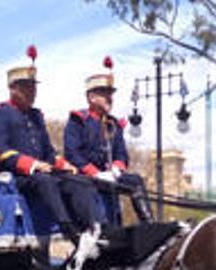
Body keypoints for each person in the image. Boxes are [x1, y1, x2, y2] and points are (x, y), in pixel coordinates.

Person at [0, 49, 103, 243]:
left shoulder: (36, 116)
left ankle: (95, 227)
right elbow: (0, 151)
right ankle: (68, 228)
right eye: (27, 88)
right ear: (13, 88)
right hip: (18, 177)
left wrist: (62, 164)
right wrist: (33, 165)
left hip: (42, 174)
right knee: (45, 180)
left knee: (79, 181)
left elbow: (48, 151)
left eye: (34, 87)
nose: (32, 92)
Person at [64, 57, 154, 223]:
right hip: (87, 178)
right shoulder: (78, 120)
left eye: (110, 94)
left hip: (111, 176)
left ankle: (149, 222)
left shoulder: (114, 124)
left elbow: (122, 154)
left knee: (135, 181)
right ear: (91, 97)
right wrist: (96, 173)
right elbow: (72, 153)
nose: (109, 98)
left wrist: (117, 169)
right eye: (104, 94)